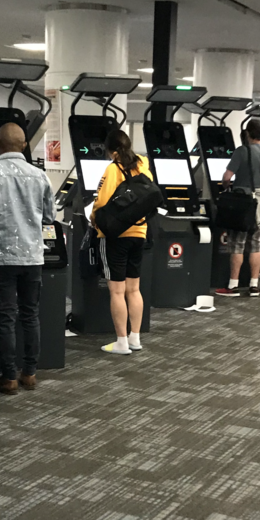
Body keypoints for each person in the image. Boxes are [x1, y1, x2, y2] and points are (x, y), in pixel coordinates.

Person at [0, 123, 56, 395]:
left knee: (5, 317)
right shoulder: (41, 177)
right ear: (25, 145)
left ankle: (10, 377)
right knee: (30, 315)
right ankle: (30, 372)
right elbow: (49, 218)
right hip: (33, 258)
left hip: (0, 259)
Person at [90, 130, 154, 355]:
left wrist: (93, 220)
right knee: (134, 289)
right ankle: (135, 338)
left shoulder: (113, 168)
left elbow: (101, 202)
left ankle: (121, 342)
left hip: (116, 236)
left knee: (117, 292)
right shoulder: (142, 166)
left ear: (111, 150)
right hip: (139, 232)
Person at [216, 119, 260, 298]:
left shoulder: (242, 151)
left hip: (243, 203)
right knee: (256, 245)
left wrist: (226, 186)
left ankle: (233, 286)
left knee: (237, 245)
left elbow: (227, 176)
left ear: (247, 133)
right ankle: (254, 285)